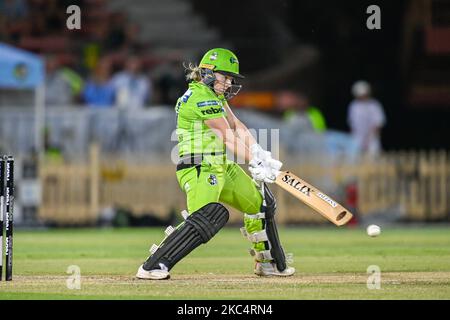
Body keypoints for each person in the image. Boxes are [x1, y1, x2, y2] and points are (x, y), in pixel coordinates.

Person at [136, 48, 295, 280]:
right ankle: (152, 266)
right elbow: (226, 136)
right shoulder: (199, 97)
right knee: (208, 216)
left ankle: (268, 263)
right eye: (226, 76)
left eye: (231, 78)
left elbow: (236, 125)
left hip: (222, 165)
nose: (229, 82)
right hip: (198, 167)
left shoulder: (215, 96)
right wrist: (254, 160)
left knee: (262, 203)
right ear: (208, 72)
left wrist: (259, 152)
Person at [347, 80, 386, 157]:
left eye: (364, 95)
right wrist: (354, 139)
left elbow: (379, 123)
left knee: (372, 159)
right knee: (356, 159)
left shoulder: (374, 105)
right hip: (357, 138)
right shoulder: (353, 106)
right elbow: (351, 124)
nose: (362, 97)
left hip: (372, 139)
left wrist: (369, 139)